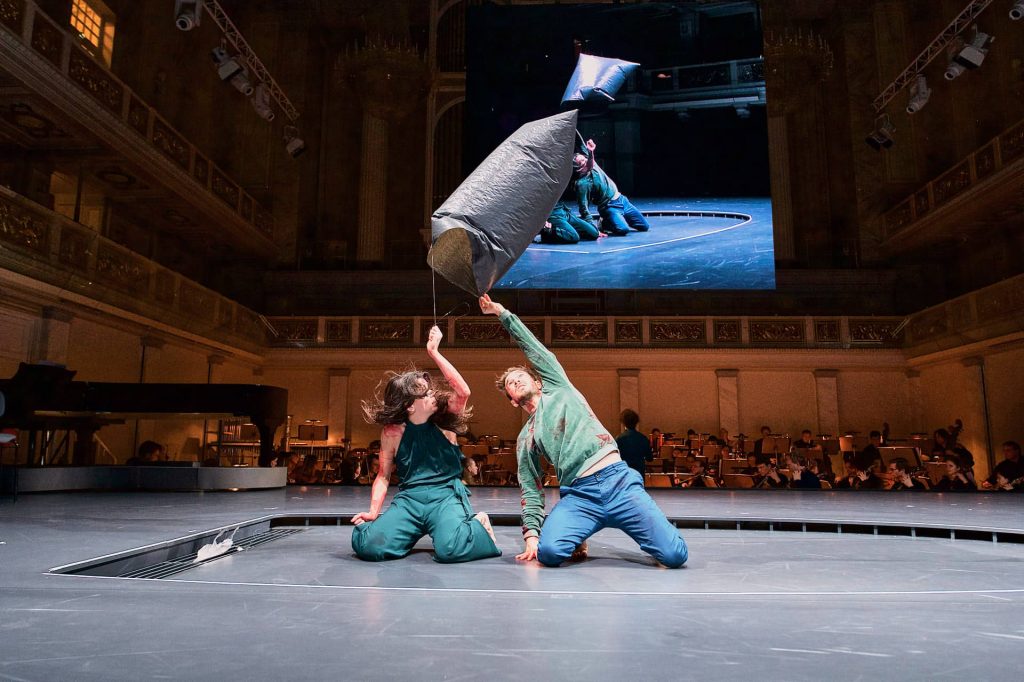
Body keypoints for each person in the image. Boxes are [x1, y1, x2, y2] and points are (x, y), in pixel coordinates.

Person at [480, 293, 687, 568]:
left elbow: (533, 348)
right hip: (580, 495)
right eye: (510, 383)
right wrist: (530, 534)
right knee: (548, 553)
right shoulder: (526, 437)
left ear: (538, 382)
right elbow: (531, 487)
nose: (515, 380)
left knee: (675, 557)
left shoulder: (559, 387)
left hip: (619, 484)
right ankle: (579, 532)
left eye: (520, 376)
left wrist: (502, 313)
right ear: (512, 399)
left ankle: (638, 531)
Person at [350, 325, 500, 563]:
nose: (433, 394)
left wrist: (434, 352)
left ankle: (477, 526)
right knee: (369, 546)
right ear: (409, 405)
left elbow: (463, 392)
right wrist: (373, 511)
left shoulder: (444, 422)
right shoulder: (392, 433)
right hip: (410, 499)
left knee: (450, 550)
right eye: (425, 393)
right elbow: (383, 476)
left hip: (445, 496)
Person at [574, 140, 650, 236]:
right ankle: (605, 222)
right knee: (623, 230)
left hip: (621, 200)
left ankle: (615, 219)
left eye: (585, 158)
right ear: (579, 169)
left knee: (644, 226)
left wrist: (590, 151)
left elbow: (580, 144)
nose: (586, 160)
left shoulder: (592, 164)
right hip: (609, 207)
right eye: (582, 162)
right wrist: (593, 230)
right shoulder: (582, 184)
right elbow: (583, 208)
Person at [539, 139, 602, 244]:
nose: (585, 163)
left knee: (594, 233)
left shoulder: (570, 174)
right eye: (581, 162)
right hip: (553, 214)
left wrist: (590, 153)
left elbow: (588, 167)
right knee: (574, 237)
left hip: (564, 212)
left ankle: (565, 230)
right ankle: (548, 232)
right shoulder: (543, 176)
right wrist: (542, 221)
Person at [616, 409, 652, 477]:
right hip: (639, 473)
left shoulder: (619, 439)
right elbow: (649, 458)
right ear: (636, 422)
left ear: (623, 423)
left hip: (625, 473)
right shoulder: (643, 438)